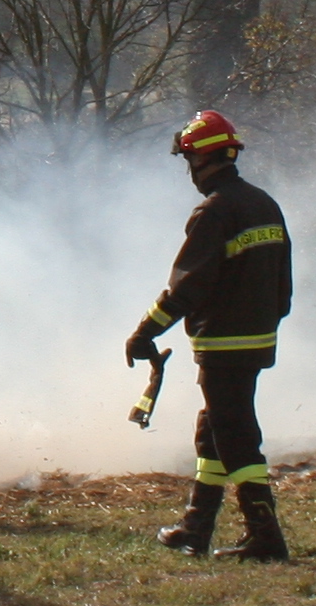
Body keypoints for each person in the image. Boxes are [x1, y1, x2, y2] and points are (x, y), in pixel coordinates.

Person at [124, 109, 294, 561]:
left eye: (188, 161)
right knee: (214, 430)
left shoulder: (214, 211)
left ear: (201, 160)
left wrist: (144, 334)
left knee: (235, 433)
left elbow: (187, 287)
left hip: (223, 343)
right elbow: (283, 285)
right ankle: (197, 526)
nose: (189, 172)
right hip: (256, 339)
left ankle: (266, 537)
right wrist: (265, 322)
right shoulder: (263, 203)